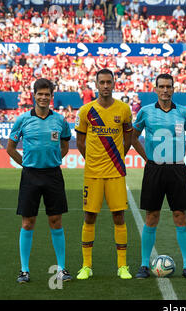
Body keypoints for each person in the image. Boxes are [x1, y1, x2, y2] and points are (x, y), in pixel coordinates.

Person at [131, 73, 186, 279]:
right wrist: (147, 158)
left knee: (180, 215)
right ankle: (144, 265)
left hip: (177, 168)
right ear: (155, 89)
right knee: (151, 216)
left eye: (168, 86)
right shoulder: (145, 112)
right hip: (155, 168)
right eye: (161, 86)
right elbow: (133, 137)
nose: (165, 90)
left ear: (173, 88)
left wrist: (180, 152)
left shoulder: (184, 113)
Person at [6, 78, 72, 284]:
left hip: (53, 175)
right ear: (34, 95)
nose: (44, 97)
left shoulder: (60, 120)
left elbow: (65, 146)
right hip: (30, 176)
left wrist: (53, 161)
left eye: (47, 94)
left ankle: (61, 268)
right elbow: (10, 148)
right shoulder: (23, 119)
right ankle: (24, 270)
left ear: (52, 97)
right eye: (40, 93)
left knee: (56, 221)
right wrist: (26, 165)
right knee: (28, 222)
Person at [74, 69, 133, 280]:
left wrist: (118, 157)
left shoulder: (124, 109)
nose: (106, 86)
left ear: (114, 84)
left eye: (109, 82)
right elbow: (80, 142)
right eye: (102, 82)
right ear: (96, 85)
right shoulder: (86, 111)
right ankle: (86, 266)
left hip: (116, 172)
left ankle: (122, 266)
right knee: (90, 216)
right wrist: (92, 160)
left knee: (119, 216)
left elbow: (129, 138)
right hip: (93, 173)